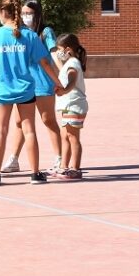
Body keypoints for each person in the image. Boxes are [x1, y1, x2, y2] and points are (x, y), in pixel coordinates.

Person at [0, 0, 62, 185]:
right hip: (25, 89)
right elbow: (45, 62)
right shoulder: (30, 36)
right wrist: (57, 82)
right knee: (29, 130)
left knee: (0, 130)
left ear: (2, 12)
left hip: (3, 90)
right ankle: (35, 174)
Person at [1, 0, 63, 174]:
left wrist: (62, 72)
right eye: (23, 13)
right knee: (20, 122)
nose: (26, 16)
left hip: (43, 83)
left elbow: (53, 52)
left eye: (29, 13)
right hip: (24, 84)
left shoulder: (45, 32)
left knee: (48, 120)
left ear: (37, 14)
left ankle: (60, 157)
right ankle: (14, 159)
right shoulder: (19, 32)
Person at [54, 33, 89, 180]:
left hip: (74, 104)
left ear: (68, 49)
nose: (58, 52)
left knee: (72, 137)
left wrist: (64, 90)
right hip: (68, 106)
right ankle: (63, 166)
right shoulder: (70, 62)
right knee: (65, 136)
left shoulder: (73, 63)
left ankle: (75, 168)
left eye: (59, 49)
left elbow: (72, 80)